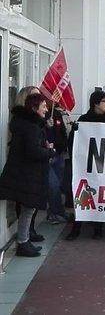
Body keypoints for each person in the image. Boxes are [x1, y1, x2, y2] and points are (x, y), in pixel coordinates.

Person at [0, 93, 56, 257]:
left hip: (25, 174)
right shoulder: (31, 127)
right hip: (27, 175)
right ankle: (23, 243)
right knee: (28, 209)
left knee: (28, 209)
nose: (46, 109)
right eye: (43, 106)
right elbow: (33, 151)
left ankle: (24, 240)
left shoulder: (28, 124)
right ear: (34, 108)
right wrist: (49, 151)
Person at [67, 91, 105, 241]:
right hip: (86, 165)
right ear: (95, 103)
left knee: (101, 195)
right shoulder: (84, 120)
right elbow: (73, 143)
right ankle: (77, 228)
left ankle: (98, 228)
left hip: (104, 165)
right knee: (82, 195)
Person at [11, 86, 46, 243]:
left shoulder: (35, 123)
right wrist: (48, 152)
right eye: (36, 98)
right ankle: (24, 239)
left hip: (32, 169)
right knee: (27, 205)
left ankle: (28, 233)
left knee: (31, 205)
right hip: (26, 170)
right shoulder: (27, 123)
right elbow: (32, 149)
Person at [45, 104, 71, 224]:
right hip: (47, 155)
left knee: (57, 186)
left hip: (59, 153)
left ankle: (54, 213)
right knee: (53, 185)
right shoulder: (41, 116)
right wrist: (45, 125)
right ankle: (57, 212)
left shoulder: (59, 113)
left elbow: (62, 132)